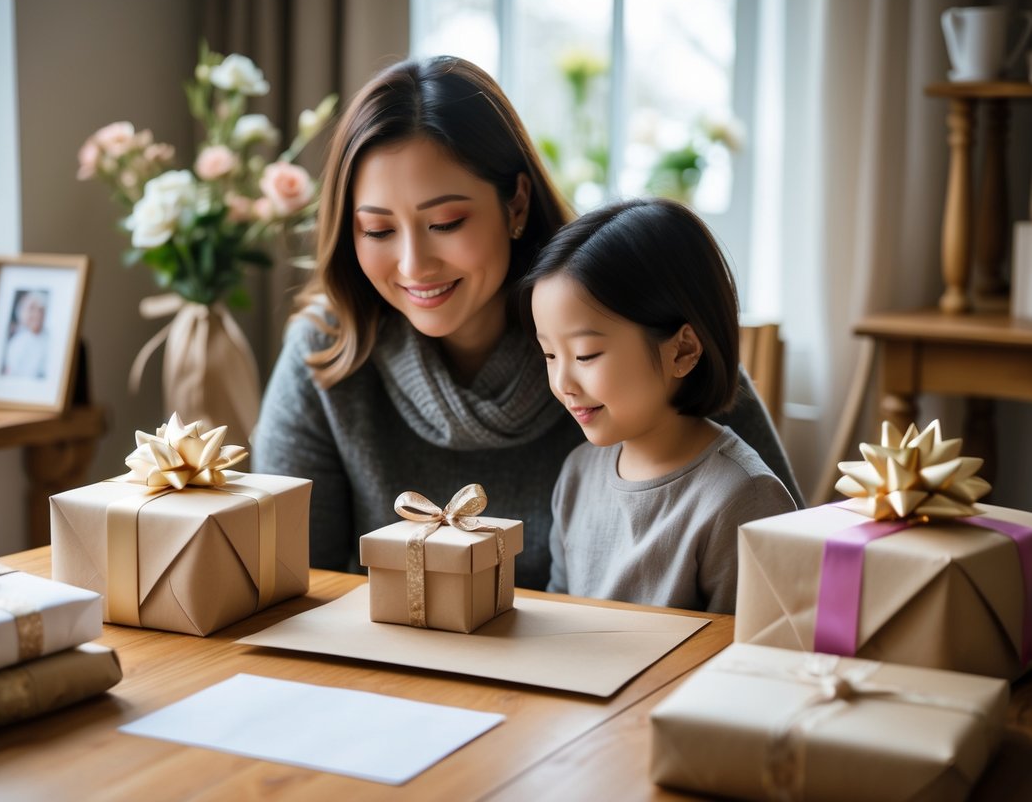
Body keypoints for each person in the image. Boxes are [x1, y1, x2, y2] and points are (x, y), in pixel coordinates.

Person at [252, 56, 803, 591]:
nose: (414, 265)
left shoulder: (631, 328)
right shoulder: (327, 350)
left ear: (516, 203)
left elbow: (789, 565)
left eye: (446, 222)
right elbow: (286, 584)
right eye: (377, 230)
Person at [524, 198, 797, 613]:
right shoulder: (578, 473)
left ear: (682, 350)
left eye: (585, 356)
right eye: (549, 355)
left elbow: (754, 661)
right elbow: (560, 618)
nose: (562, 382)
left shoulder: (743, 498)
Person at [1, 290, 49, 379]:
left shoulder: (51, 340)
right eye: (31, 309)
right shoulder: (17, 342)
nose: (36, 314)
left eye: (40, 310)